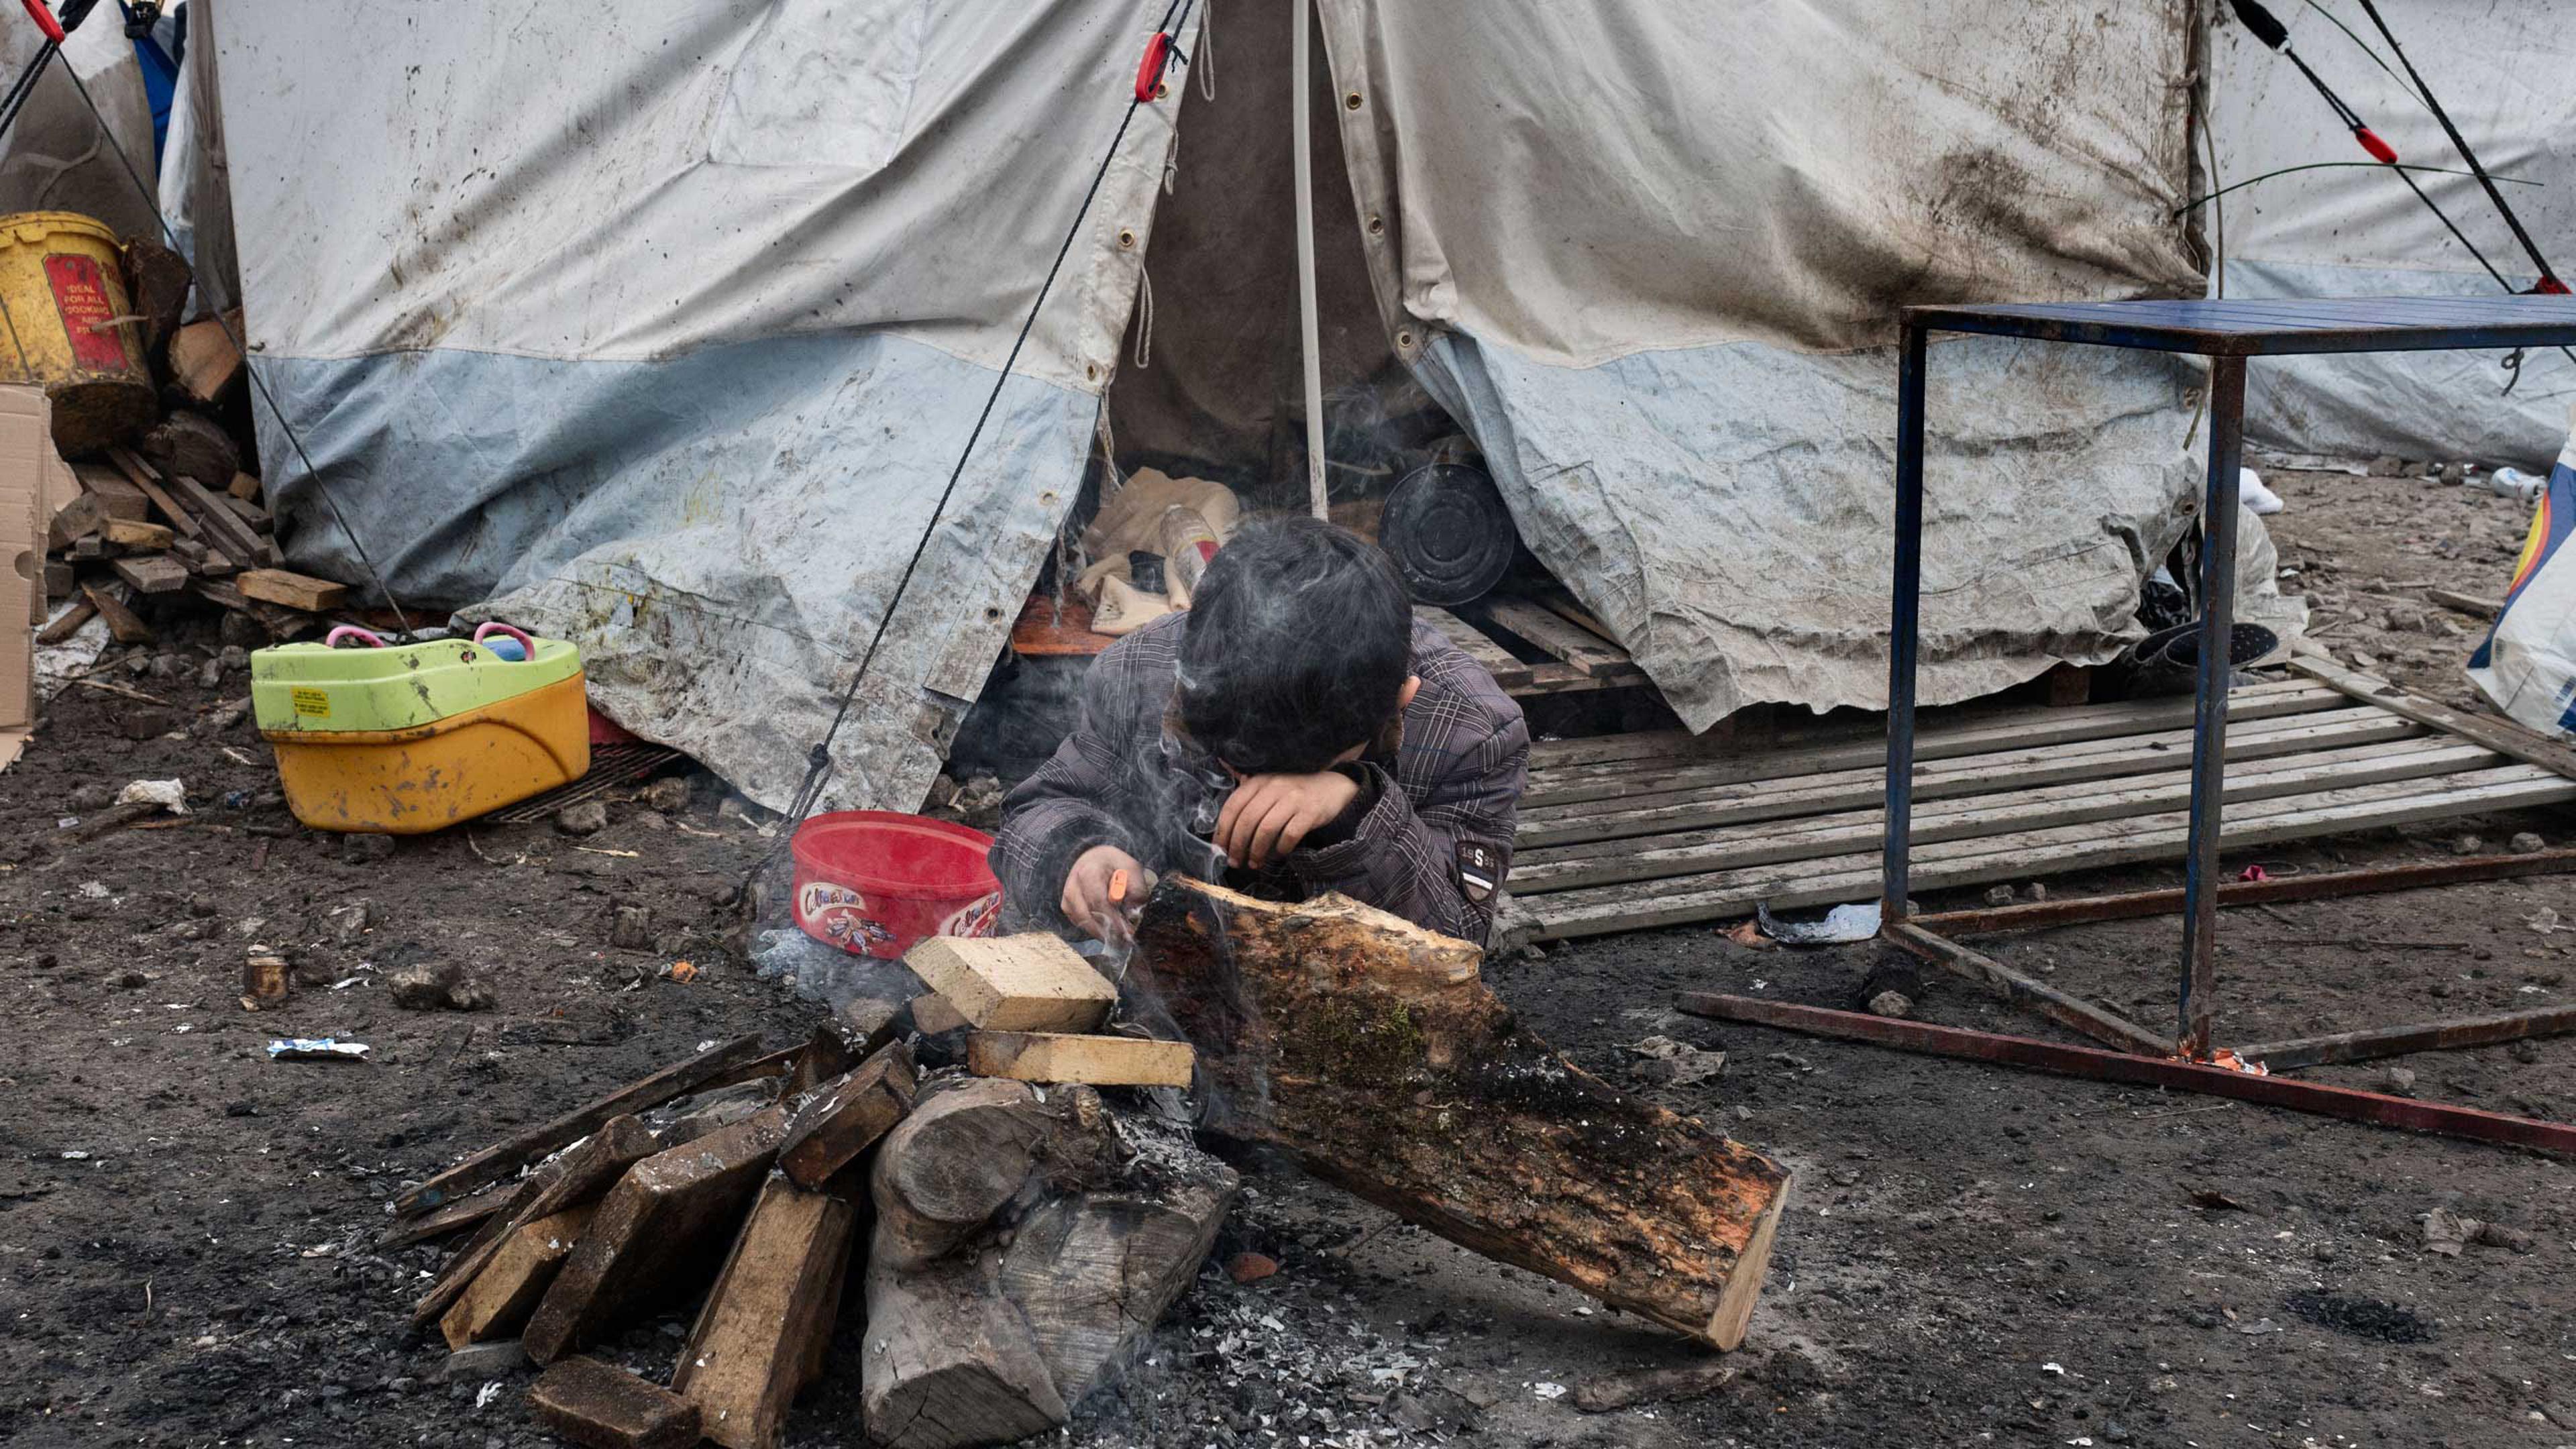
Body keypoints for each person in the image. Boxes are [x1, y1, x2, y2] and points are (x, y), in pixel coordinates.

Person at [992, 516, 1529, 945]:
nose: (1252, 790)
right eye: (1233, 766)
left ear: (1399, 703)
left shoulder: (1470, 730)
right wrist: (1077, 853)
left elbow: (1459, 937)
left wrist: (1352, 810)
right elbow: (1039, 809)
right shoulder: (1140, 670)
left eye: (1287, 771)